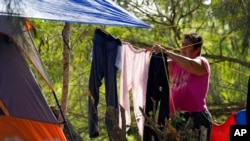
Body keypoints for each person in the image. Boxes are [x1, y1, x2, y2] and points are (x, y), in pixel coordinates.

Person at [153, 33, 212, 141]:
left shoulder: (202, 62)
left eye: (187, 46)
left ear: (196, 50)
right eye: (182, 45)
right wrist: (155, 54)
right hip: (176, 118)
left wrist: (166, 52)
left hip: (196, 118)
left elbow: (190, 65)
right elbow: (158, 66)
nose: (182, 48)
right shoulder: (176, 64)